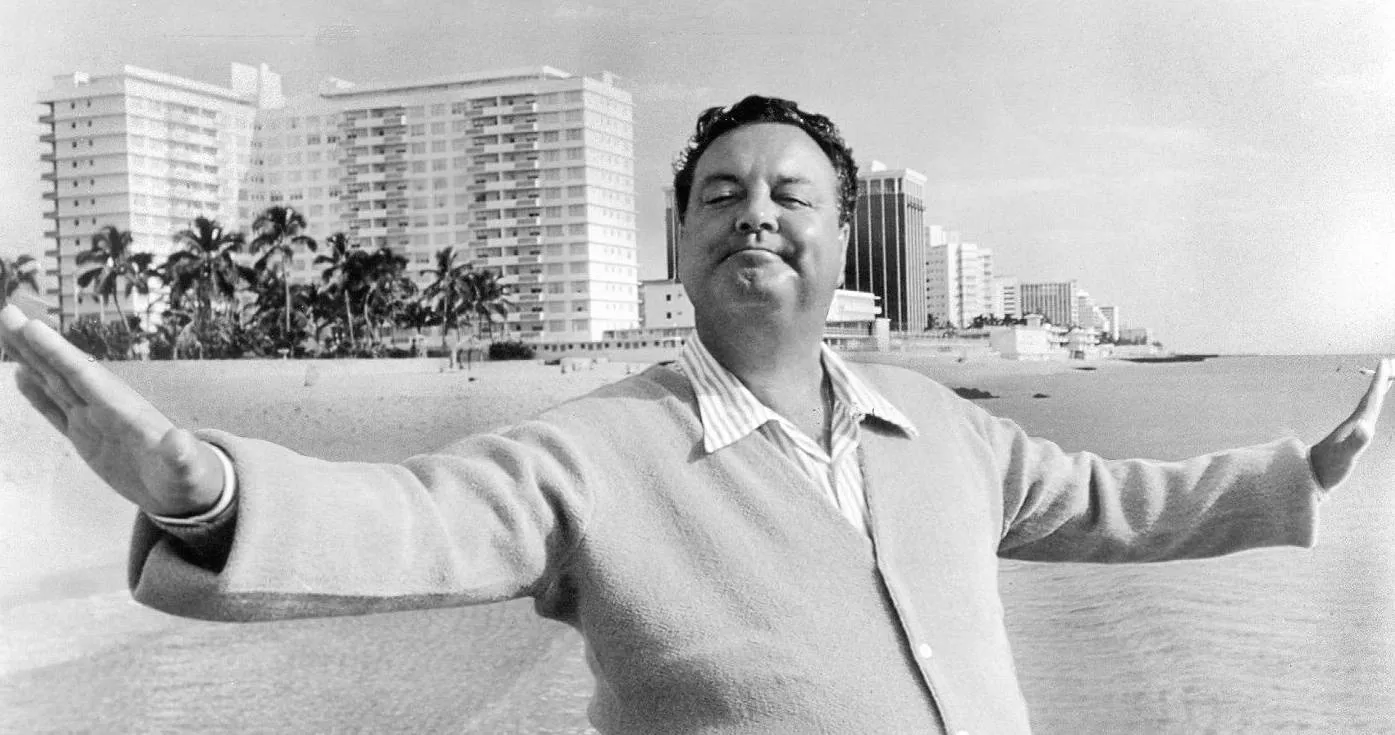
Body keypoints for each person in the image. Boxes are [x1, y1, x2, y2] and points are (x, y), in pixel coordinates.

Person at [1, 95, 1390, 734]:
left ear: (845, 242)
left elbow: (1109, 505)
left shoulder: (939, 424)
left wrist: (1296, 467)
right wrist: (206, 488)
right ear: (676, 246)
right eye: (720, 192)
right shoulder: (596, 452)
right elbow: (412, 519)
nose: (757, 212)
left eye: (792, 193)